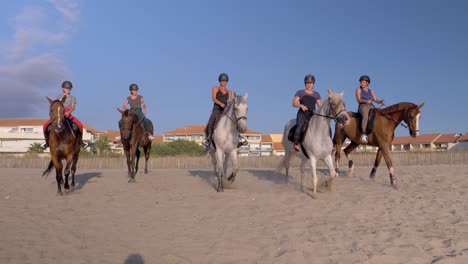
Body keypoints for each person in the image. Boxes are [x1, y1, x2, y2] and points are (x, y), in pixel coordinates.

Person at [203, 73, 247, 148]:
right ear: (219, 81)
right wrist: (220, 103)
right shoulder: (215, 88)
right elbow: (213, 98)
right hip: (216, 109)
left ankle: (239, 139)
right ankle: (208, 140)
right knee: (210, 122)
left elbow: (229, 101)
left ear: (227, 82)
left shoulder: (229, 91)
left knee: (234, 121)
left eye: (225, 81)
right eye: (222, 81)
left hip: (225, 110)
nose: (223, 82)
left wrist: (232, 103)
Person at [41, 81, 87, 149]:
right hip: (59, 113)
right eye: (66, 88)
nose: (68, 89)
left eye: (69, 88)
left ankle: (81, 141)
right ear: (63, 88)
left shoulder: (73, 97)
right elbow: (56, 105)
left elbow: (73, 107)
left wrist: (68, 112)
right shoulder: (58, 96)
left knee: (80, 125)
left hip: (68, 114)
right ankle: (47, 142)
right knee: (45, 125)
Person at [292, 74, 322, 152]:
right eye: (307, 83)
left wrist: (317, 111)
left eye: (311, 83)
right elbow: (294, 103)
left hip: (312, 115)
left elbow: (320, 107)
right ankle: (296, 144)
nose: (309, 85)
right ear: (305, 83)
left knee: (324, 126)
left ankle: (329, 144)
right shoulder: (300, 92)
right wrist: (301, 105)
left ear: (313, 84)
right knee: (299, 127)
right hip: (302, 114)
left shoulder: (316, 94)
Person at [355, 75, 385, 143]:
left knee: (379, 114)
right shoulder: (358, 89)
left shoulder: (371, 91)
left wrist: (380, 101)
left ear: (367, 83)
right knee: (365, 115)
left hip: (371, 106)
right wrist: (366, 101)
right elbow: (358, 100)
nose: (361, 83)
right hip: (362, 106)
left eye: (363, 82)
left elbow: (375, 99)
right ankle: (364, 134)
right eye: (361, 82)